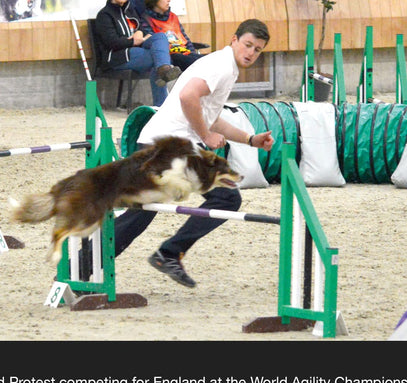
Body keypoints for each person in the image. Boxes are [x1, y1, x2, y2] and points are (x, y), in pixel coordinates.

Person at [113, 19, 275, 287]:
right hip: (172, 146)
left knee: (142, 212)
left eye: (257, 50)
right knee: (226, 198)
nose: (251, 53)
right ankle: (169, 253)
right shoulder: (222, 66)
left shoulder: (225, 65)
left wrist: (250, 139)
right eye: (248, 45)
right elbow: (189, 97)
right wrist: (205, 137)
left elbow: (210, 118)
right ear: (234, 40)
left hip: (157, 144)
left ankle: (84, 265)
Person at [95, 0, 182, 107]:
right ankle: (161, 102)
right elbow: (111, 42)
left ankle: (163, 70)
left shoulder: (130, 10)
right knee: (158, 58)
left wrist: (140, 32)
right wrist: (133, 41)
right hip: (119, 57)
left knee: (160, 36)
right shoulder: (104, 15)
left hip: (138, 48)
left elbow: (139, 27)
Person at [140, 0, 203, 70]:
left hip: (185, 52)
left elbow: (185, 38)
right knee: (201, 64)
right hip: (169, 56)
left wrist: (192, 52)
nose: (169, 0)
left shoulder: (173, 16)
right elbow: (154, 43)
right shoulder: (146, 19)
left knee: (208, 59)